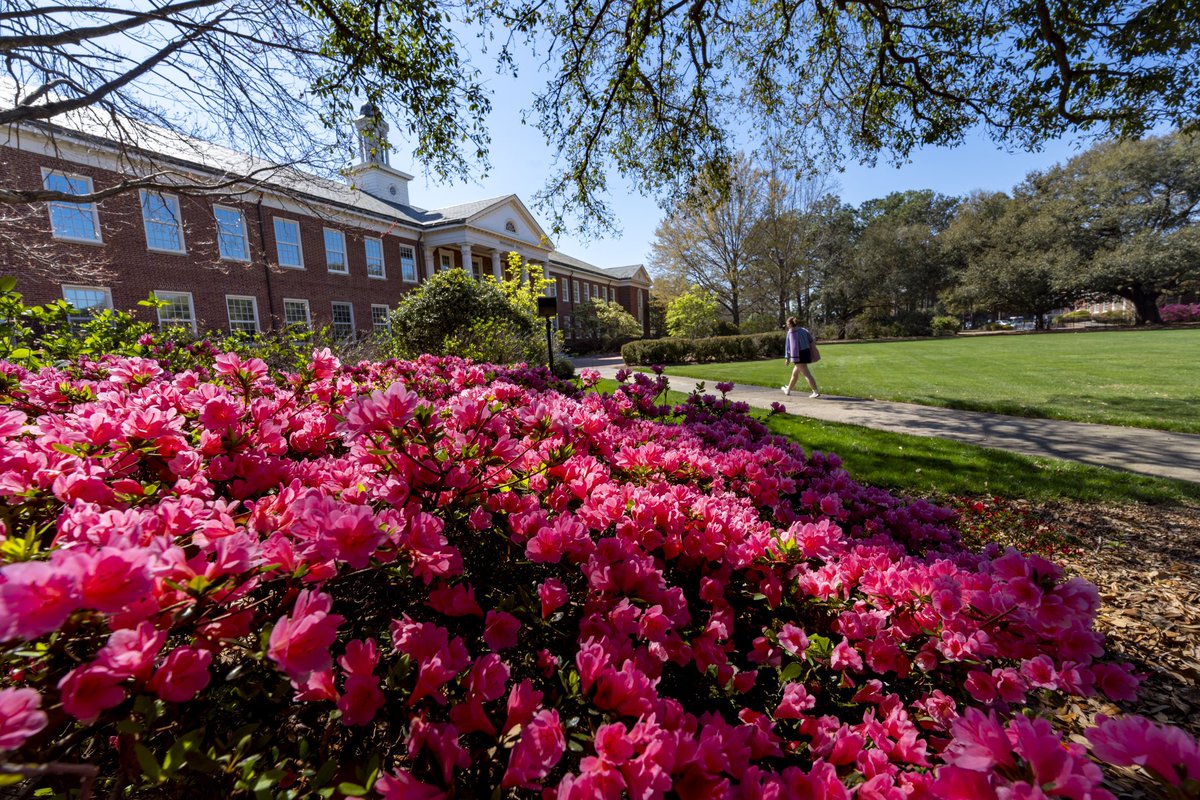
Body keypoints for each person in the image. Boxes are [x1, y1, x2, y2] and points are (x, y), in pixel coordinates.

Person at [782, 317, 820, 398]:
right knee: (795, 374)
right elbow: (811, 341)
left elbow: (788, 346)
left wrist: (787, 358)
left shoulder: (791, 332)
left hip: (798, 355)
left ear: (790, 324)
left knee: (806, 374)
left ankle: (815, 391)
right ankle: (788, 390)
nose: (787, 326)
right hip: (806, 353)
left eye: (787, 324)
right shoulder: (804, 330)